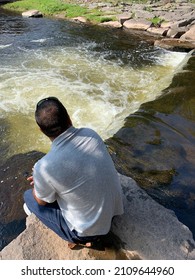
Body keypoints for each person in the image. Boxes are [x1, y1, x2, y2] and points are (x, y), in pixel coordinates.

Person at [24, 97, 124, 249]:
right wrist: (43, 176)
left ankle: (81, 239)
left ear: (42, 130)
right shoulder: (91, 134)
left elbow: (41, 202)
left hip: (89, 230)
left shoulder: (44, 166)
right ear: (69, 118)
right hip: (115, 210)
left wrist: (39, 180)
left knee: (28, 198)